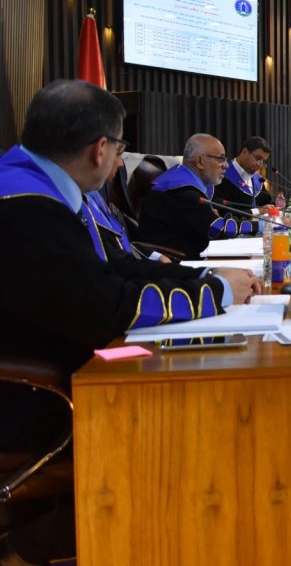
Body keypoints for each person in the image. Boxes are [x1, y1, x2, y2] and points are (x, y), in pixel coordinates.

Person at [0, 82, 260, 566]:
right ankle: (50, 546)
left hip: (55, 361)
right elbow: (106, 306)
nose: (119, 160)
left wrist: (207, 279)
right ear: (100, 149)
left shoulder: (35, 185)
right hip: (35, 395)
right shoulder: (27, 209)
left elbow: (114, 267)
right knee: (184, 415)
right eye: (120, 148)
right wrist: (215, 295)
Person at [137, 133, 256, 259]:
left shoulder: (182, 178)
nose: (226, 165)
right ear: (199, 161)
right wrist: (260, 226)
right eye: (220, 159)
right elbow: (218, 229)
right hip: (175, 261)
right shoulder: (182, 191)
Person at [213, 135, 274, 209]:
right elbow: (224, 211)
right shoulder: (223, 176)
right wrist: (257, 211)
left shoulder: (257, 180)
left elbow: (267, 203)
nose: (259, 164)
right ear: (244, 152)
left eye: (263, 161)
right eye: (258, 158)